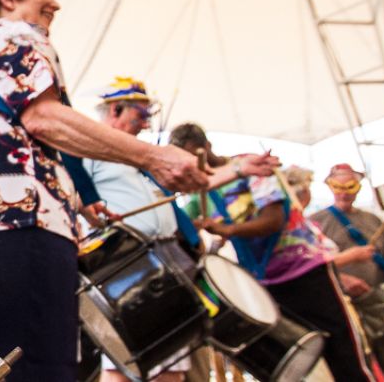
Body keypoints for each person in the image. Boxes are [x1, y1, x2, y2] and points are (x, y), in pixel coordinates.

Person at [0, 0, 209, 381]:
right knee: (39, 371)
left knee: (26, 369)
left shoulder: (0, 46)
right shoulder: (14, 35)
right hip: (19, 221)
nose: (55, 2)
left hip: (12, 222)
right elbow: (44, 118)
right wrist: (153, 156)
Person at [82, 113, 277, 382]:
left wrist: (240, 168)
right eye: (139, 114)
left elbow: (193, 181)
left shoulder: (142, 160)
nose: (146, 123)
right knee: (123, 364)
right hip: (125, 265)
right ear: (115, 111)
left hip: (164, 263)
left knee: (170, 365)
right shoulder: (89, 150)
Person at [199, 162, 375, 381]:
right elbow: (271, 221)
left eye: (351, 187)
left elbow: (275, 222)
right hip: (270, 286)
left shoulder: (252, 176)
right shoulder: (217, 188)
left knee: (342, 356)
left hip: (302, 280)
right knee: (293, 362)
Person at [310, 164, 384, 382]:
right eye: (337, 185)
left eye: (350, 186)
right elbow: (313, 266)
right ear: (329, 186)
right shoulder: (315, 222)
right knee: (355, 366)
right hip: (345, 305)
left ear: (358, 187)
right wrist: (341, 276)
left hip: (381, 299)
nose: (344, 192)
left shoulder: (372, 220)